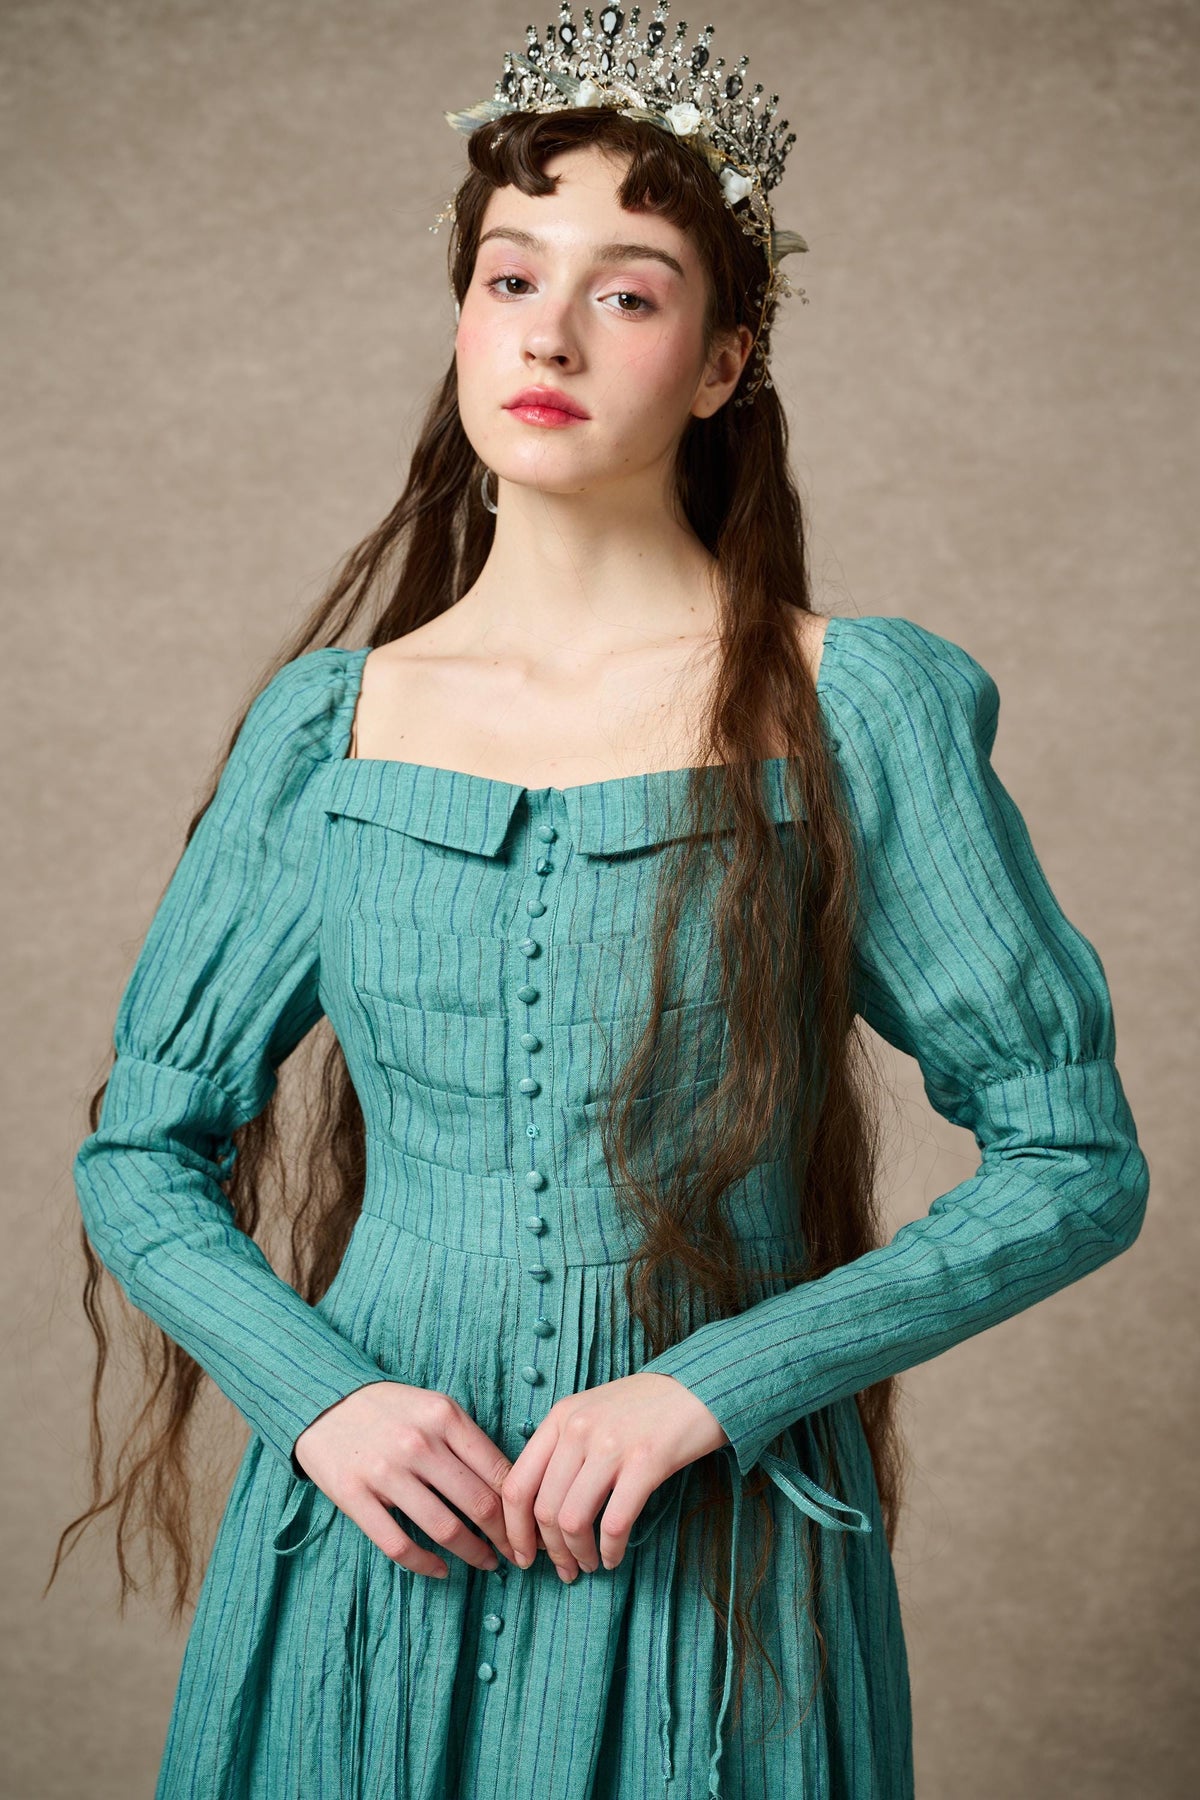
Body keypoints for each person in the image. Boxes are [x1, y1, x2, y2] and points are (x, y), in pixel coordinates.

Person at [56, 7, 1149, 1796]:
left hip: (713, 1572)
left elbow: (1073, 1160)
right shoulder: (330, 728)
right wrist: (320, 1400)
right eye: (510, 278)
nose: (549, 334)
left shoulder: (852, 708)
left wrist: (719, 1384)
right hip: (366, 1549)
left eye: (627, 294)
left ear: (724, 363)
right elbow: (139, 1153)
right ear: (462, 317)